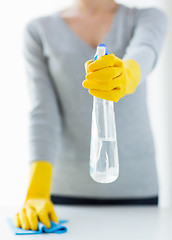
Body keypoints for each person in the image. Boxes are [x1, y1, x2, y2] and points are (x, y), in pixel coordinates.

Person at [14, 0, 167, 231]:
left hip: (137, 192)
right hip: (64, 194)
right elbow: (44, 113)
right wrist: (36, 191)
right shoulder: (39, 31)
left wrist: (125, 76)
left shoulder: (145, 18)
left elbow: (144, 53)